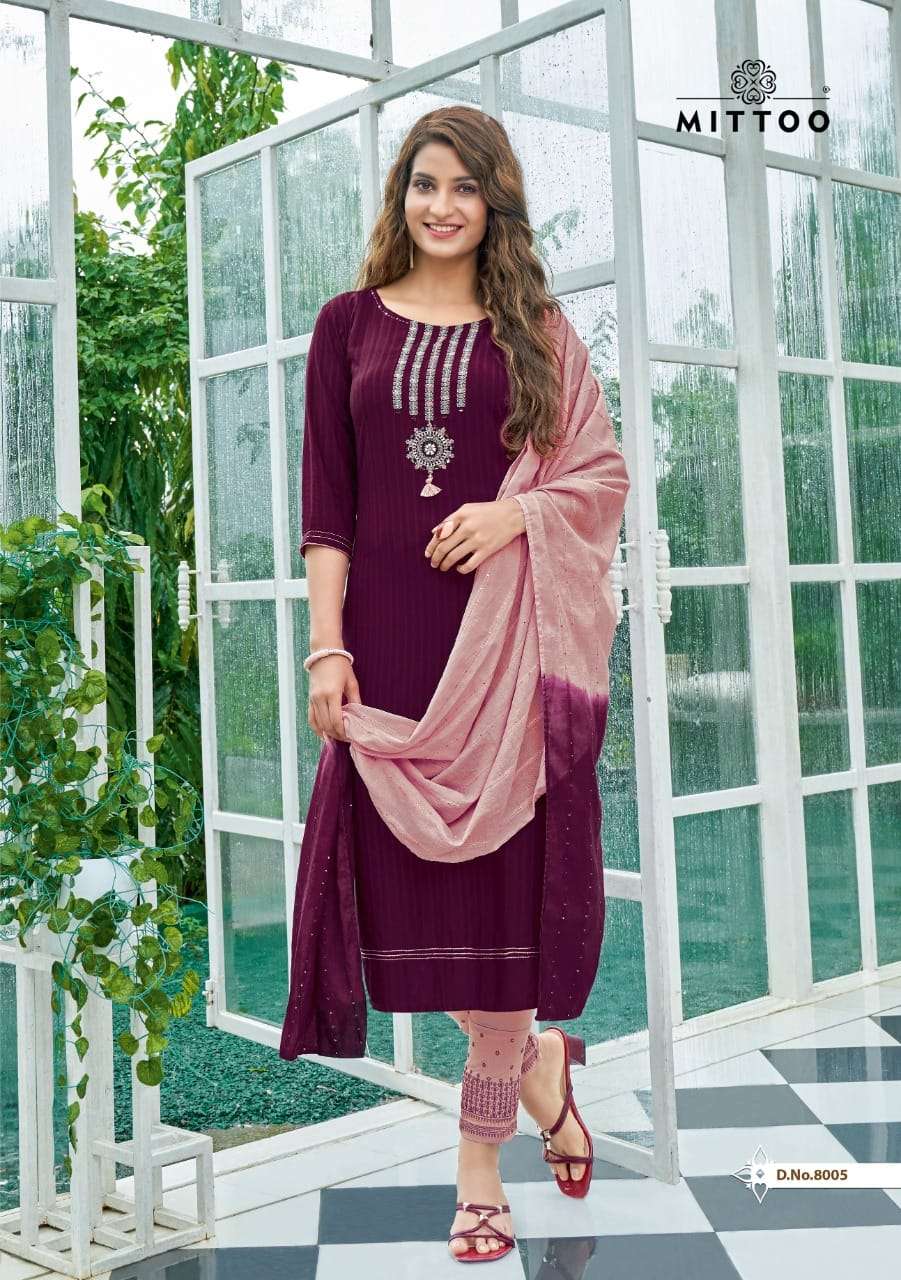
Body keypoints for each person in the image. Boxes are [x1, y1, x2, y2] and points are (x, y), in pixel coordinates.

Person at [281, 104, 630, 1263]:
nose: (442, 205)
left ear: (494, 204)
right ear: (401, 196)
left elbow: (598, 474)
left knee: (496, 920)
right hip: (388, 653)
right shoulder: (345, 326)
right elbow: (327, 509)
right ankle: (542, 1070)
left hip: (505, 665)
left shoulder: (537, 330)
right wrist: (326, 646)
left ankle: (480, 1164)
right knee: (404, 906)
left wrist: (513, 515)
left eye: (465, 187)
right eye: (424, 183)